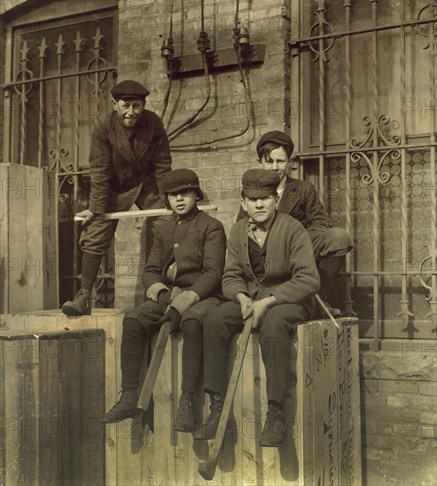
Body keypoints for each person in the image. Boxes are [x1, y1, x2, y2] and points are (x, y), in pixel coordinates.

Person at [100, 168, 226, 431]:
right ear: (166, 199)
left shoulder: (211, 227)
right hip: (169, 297)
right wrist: (164, 296)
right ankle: (129, 395)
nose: (179, 199)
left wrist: (181, 304)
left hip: (202, 296)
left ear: (196, 195)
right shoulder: (164, 229)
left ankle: (188, 401)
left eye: (185, 193)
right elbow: (151, 270)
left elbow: (212, 274)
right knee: (133, 319)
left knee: (192, 323)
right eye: (172, 195)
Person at [201, 169, 319, 447]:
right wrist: (241, 297)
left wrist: (269, 301)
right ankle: (217, 407)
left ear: (276, 199)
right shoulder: (238, 230)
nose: (259, 204)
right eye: (252, 199)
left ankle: (276, 414)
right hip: (250, 298)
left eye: (265, 198)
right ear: (243, 203)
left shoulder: (293, 228)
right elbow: (230, 275)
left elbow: (309, 280)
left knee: (274, 326)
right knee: (214, 320)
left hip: (289, 300)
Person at [62, 80, 172, 316]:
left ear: (143, 106)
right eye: (125, 106)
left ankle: (156, 295)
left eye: (136, 106)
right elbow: (100, 169)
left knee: (165, 226)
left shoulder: (153, 123)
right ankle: (84, 295)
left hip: (147, 183)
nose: (131, 112)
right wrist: (96, 208)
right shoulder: (103, 126)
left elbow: (163, 163)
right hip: (114, 186)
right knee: (95, 232)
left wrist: (168, 197)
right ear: (115, 104)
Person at [237, 130, 354, 317]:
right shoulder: (253, 193)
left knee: (338, 238)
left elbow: (321, 222)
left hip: (299, 247)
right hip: (267, 252)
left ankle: (319, 295)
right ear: (260, 162)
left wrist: (297, 239)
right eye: (269, 161)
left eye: (280, 161)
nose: (275, 167)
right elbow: (242, 227)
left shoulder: (303, 189)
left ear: (289, 163)